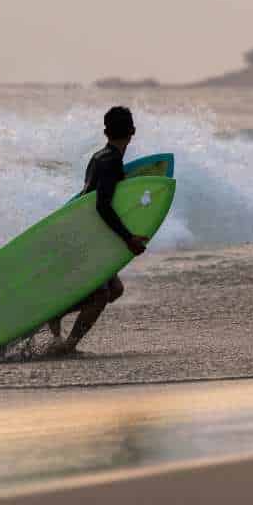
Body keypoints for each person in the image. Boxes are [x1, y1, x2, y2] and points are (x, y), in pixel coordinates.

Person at [46, 106, 150, 355]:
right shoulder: (112, 161)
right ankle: (68, 345)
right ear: (133, 131)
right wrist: (129, 238)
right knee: (101, 295)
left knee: (115, 289)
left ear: (105, 131)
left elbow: (88, 198)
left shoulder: (98, 156)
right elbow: (102, 206)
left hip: (84, 229)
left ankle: (57, 313)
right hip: (90, 234)